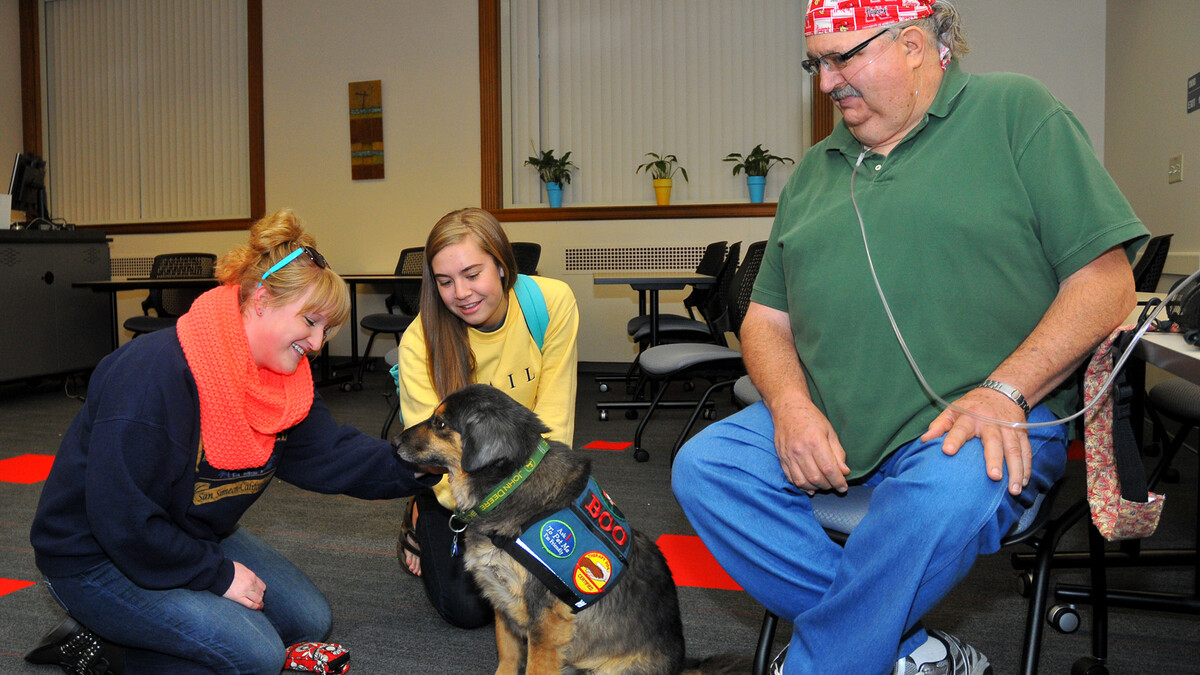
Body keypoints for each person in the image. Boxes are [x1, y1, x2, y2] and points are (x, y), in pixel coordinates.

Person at [671, 1, 1149, 673]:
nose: (826, 81)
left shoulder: (1015, 111)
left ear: (916, 45)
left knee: (938, 498)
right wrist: (791, 406)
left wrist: (1004, 391)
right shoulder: (815, 170)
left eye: (844, 57)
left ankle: (825, 661)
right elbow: (764, 320)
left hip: (984, 416)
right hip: (837, 417)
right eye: (816, 62)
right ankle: (904, 647)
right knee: (706, 467)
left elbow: (1107, 285)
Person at [27, 209, 439, 674]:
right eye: (310, 321)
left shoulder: (283, 382)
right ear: (261, 299)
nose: (319, 343)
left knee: (309, 620)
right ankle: (105, 648)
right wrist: (217, 575)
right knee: (256, 656)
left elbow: (333, 455)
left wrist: (422, 464)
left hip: (188, 532)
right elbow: (122, 518)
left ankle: (124, 635)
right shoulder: (153, 373)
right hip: (97, 557)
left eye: (327, 329)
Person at [394, 207, 579, 628]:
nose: (460, 292)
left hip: (527, 477)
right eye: (445, 281)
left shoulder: (550, 303)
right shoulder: (418, 342)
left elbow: (555, 421)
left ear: (500, 263)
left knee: (566, 582)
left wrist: (547, 505)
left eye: (472, 274)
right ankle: (418, 514)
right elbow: (433, 453)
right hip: (457, 484)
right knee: (470, 609)